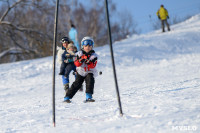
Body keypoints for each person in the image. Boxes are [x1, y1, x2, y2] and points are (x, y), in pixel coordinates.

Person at [64, 36, 98, 103]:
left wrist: (89, 62)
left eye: (89, 45)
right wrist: (81, 60)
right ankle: (67, 97)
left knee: (90, 81)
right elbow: (76, 64)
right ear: (83, 46)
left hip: (89, 71)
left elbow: (93, 65)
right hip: (81, 72)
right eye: (85, 45)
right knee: (77, 84)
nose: (87, 47)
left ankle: (88, 97)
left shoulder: (94, 56)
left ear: (92, 46)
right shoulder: (79, 54)